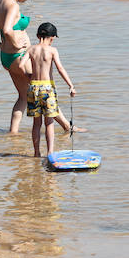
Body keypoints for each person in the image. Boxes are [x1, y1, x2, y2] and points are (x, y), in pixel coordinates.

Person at [0, 0, 76, 134]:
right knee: (45, 91)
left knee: (23, 97)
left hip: (7, 58)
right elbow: (7, 29)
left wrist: (0, 45)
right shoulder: (13, 5)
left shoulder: (0, 1)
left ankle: (13, 133)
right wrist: (16, 43)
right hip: (19, 57)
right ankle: (68, 127)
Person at [26, 22, 75, 157]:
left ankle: (36, 152)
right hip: (47, 88)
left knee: (36, 124)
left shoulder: (31, 49)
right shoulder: (52, 50)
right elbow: (60, 69)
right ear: (52, 37)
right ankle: (50, 152)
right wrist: (70, 85)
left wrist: (29, 75)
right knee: (49, 123)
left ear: (37, 35)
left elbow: (20, 64)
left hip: (33, 87)